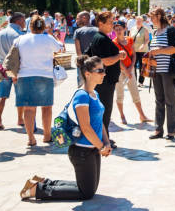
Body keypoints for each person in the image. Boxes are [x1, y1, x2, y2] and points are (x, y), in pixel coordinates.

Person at [20, 55, 111, 201]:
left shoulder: (95, 94)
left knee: (89, 189)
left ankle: (44, 182)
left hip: (93, 148)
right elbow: (86, 128)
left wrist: (106, 143)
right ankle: (37, 190)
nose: (104, 74)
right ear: (87, 74)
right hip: (82, 151)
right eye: (100, 70)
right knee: (85, 193)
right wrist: (101, 146)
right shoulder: (82, 96)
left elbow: (101, 122)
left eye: (104, 70)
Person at [15, 15, 63, 147]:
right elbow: (60, 48)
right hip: (44, 75)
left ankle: (31, 138)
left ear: (30, 26)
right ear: (44, 26)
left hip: (24, 76)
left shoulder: (20, 39)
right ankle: (47, 135)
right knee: (46, 108)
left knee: (29, 109)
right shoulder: (48, 38)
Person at [87, 11, 126, 148]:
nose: (112, 25)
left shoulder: (101, 37)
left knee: (104, 110)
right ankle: (103, 139)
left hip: (105, 81)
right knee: (104, 111)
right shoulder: (101, 38)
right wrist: (119, 56)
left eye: (113, 22)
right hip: (104, 82)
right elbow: (102, 61)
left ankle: (104, 136)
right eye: (110, 22)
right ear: (100, 23)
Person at [148, 7, 175, 140]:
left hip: (168, 71)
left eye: (152, 17)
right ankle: (158, 129)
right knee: (158, 100)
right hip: (156, 71)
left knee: (170, 101)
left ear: (159, 16)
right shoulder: (155, 32)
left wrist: (158, 51)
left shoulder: (170, 30)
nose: (150, 19)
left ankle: (171, 130)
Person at [0, 12, 26, 130]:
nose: (25, 22)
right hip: (16, 69)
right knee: (20, 96)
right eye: (24, 20)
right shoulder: (20, 35)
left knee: (2, 95)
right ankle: (20, 120)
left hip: (2, 68)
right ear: (18, 21)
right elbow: (20, 55)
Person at [112, 20, 150, 124]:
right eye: (116, 29)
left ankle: (142, 115)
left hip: (130, 68)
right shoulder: (114, 43)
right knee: (120, 94)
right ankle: (122, 116)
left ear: (125, 29)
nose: (118, 31)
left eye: (120, 29)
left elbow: (134, 54)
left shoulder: (129, 40)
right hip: (119, 71)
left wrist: (131, 68)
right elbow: (118, 59)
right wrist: (126, 70)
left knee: (135, 92)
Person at [73, 11, 99, 87]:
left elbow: (78, 51)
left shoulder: (78, 31)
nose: (76, 20)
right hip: (96, 62)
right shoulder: (98, 30)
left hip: (83, 63)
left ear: (84, 18)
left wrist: (82, 64)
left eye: (77, 18)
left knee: (83, 86)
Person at [131, 16, 149, 86]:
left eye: (140, 21)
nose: (138, 22)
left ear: (142, 22)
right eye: (137, 20)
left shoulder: (145, 29)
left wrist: (143, 45)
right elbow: (130, 39)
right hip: (133, 50)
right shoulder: (132, 29)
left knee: (142, 66)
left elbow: (147, 39)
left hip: (142, 50)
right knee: (133, 66)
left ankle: (141, 82)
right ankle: (134, 81)